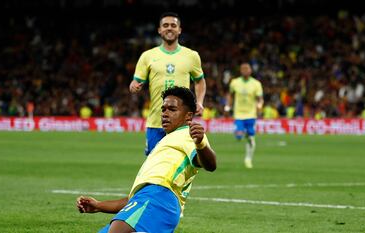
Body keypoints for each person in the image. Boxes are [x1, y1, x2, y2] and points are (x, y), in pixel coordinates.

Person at [76, 86, 216, 233]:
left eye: (172, 109)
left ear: (188, 116)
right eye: (163, 109)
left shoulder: (187, 134)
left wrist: (201, 143)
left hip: (159, 198)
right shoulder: (165, 143)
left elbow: (210, 164)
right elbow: (135, 199)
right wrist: (99, 205)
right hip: (152, 201)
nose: (165, 114)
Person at [129, 12, 206, 156]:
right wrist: (134, 85)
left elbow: (200, 80)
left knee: (182, 166)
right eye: (165, 25)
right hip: (156, 123)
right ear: (159, 30)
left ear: (179, 30)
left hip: (181, 124)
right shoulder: (147, 56)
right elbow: (136, 81)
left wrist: (200, 102)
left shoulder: (191, 56)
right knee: (153, 168)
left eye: (173, 25)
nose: (169, 28)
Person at [225, 63, 264, 168]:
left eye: (247, 69)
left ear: (250, 70)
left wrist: (260, 105)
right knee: (238, 136)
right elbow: (230, 95)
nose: (245, 70)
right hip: (239, 114)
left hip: (251, 114)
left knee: (251, 138)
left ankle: (248, 159)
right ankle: (243, 134)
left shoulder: (256, 84)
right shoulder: (235, 82)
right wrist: (227, 106)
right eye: (243, 69)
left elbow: (260, 98)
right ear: (240, 71)